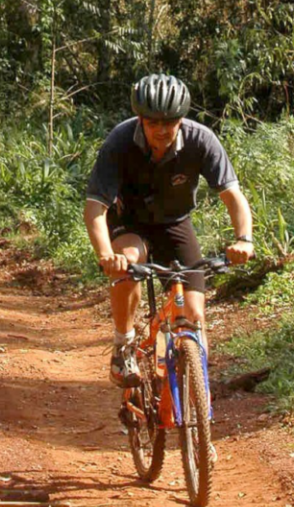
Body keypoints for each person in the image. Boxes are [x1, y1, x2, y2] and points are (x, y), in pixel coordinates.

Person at [84, 74, 253, 388]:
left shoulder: (201, 140)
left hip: (175, 223)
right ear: (140, 120)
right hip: (129, 223)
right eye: (152, 123)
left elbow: (233, 197)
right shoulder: (119, 142)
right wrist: (107, 255)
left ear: (182, 119)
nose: (161, 131)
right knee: (128, 259)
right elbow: (95, 208)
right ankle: (124, 345)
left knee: (193, 315)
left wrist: (244, 239)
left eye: (170, 122)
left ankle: (197, 410)